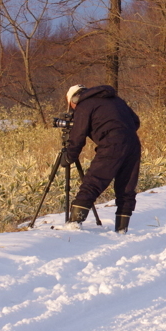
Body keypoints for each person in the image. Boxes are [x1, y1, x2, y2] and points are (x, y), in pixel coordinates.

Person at [63, 84, 142, 233]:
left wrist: (69, 156)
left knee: (94, 180)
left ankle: (74, 223)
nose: (73, 109)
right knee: (126, 186)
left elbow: (78, 136)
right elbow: (135, 121)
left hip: (112, 144)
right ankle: (122, 228)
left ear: (73, 100)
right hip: (133, 144)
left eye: (71, 106)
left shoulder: (84, 105)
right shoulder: (116, 100)